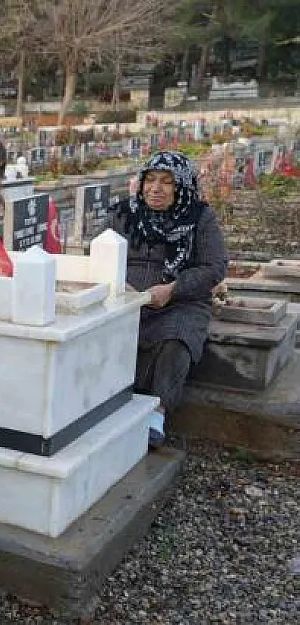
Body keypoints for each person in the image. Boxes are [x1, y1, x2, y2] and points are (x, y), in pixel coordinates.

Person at [113, 151, 227, 448]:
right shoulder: (124, 212)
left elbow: (214, 267)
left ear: (182, 187)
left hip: (180, 301)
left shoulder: (200, 218)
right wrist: (115, 279)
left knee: (176, 340)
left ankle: (157, 413)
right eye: (150, 180)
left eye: (167, 182)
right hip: (127, 298)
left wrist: (173, 289)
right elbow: (98, 248)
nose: (155, 188)